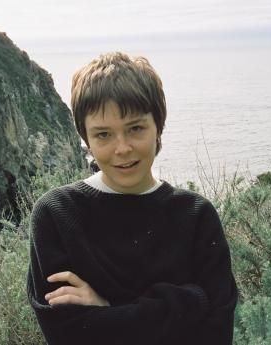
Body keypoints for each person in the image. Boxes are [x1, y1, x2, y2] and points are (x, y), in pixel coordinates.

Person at [27, 51, 238, 345]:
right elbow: (68, 335)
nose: (122, 148)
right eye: (103, 135)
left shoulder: (196, 216)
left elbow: (214, 335)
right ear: (86, 139)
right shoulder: (57, 214)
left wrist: (106, 309)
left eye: (135, 128)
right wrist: (189, 303)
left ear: (158, 127)